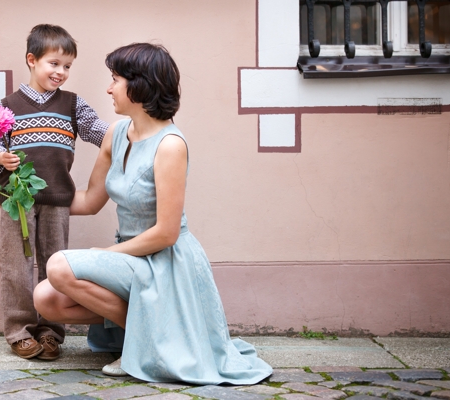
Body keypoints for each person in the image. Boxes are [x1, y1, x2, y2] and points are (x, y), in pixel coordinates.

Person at [33, 42, 272, 384]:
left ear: (140, 85)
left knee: (59, 265)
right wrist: (31, 197)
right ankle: (152, 337)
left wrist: (106, 253)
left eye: (115, 79)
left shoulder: (170, 145)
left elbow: (166, 233)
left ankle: (150, 344)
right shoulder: (115, 134)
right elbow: (88, 201)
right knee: (46, 299)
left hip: (165, 261)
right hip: (130, 260)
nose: (109, 87)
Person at [0, 24, 108, 360]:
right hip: (16, 201)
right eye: (54, 64)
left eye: (67, 66)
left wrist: (130, 136)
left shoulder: (71, 105)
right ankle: (19, 331)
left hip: (56, 201)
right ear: (32, 60)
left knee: (55, 265)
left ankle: (51, 330)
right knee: (16, 265)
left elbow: (98, 132)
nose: (61, 72)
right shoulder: (7, 107)